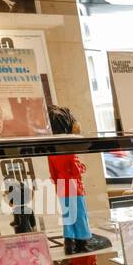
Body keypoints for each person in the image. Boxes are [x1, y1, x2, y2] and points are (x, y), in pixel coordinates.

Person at [47, 105, 93, 254]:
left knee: (67, 215)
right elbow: (75, 170)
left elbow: (53, 172)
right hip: (73, 184)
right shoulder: (69, 149)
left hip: (61, 184)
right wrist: (82, 167)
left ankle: (68, 242)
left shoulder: (52, 151)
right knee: (79, 213)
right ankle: (82, 242)